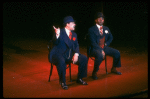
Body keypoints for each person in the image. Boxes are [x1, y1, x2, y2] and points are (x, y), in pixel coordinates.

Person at [49, 16, 88, 90]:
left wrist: (76, 54)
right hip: (58, 54)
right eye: (73, 23)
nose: (75, 24)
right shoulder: (60, 31)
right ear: (67, 24)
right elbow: (54, 42)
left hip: (69, 55)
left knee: (84, 58)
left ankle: (79, 78)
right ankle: (63, 82)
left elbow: (76, 45)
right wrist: (57, 35)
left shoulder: (74, 34)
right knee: (61, 61)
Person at [88, 12, 122, 80]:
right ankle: (94, 72)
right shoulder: (91, 29)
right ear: (96, 20)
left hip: (104, 47)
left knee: (117, 52)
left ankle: (114, 68)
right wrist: (101, 50)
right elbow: (93, 43)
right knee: (100, 55)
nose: (101, 20)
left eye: (102, 18)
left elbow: (111, 37)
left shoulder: (106, 28)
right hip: (94, 48)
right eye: (99, 18)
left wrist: (106, 44)